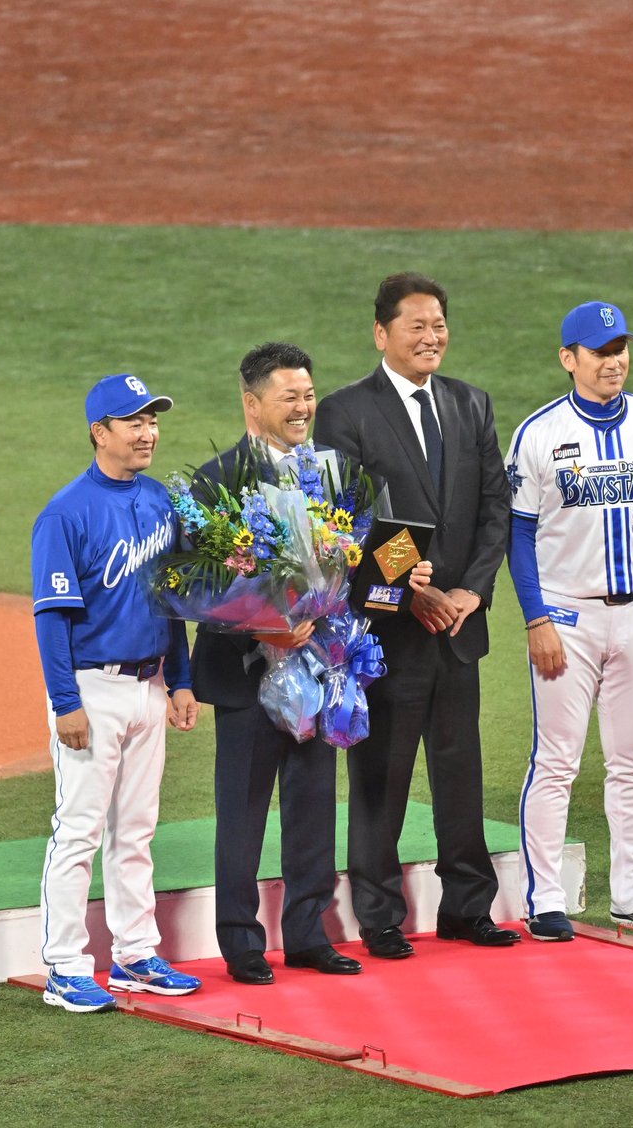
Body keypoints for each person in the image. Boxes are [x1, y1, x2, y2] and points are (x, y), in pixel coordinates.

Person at [314, 272, 519, 959]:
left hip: (458, 627)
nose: (430, 337)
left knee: (460, 774)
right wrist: (414, 589)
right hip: (389, 632)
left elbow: (495, 507)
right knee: (382, 776)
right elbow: (346, 517)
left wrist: (470, 593)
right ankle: (378, 917)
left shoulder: (471, 404)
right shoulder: (346, 411)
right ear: (381, 333)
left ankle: (468, 906)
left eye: (437, 325)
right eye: (415, 327)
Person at [505, 301, 633, 943]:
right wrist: (536, 618)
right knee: (557, 760)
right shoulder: (538, 433)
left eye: (620, 347)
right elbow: (519, 532)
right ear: (569, 359)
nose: (614, 360)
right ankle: (546, 900)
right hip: (568, 616)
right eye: (599, 350)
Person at [191, 342, 388, 984]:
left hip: (321, 669)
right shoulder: (215, 480)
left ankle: (307, 934)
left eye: (308, 394)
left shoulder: (332, 471)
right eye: (290, 396)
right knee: (243, 813)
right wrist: (269, 628)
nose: (304, 407)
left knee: (312, 805)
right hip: (249, 677)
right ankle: (242, 942)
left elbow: (371, 540)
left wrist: (410, 571)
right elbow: (198, 583)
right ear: (253, 404)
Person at [32, 373, 201, 1012]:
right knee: (77, 830)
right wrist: (64, 701)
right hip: (90, 690)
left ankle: (135, 955)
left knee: (135, 830)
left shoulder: (162, 501)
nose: (148, 431)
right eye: (134, 421)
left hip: (150, 685)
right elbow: (50, 616)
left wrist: (181, 681)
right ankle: (66, 966)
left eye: (153, 420)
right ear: (100, 432)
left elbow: (177, 600)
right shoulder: (65, 512)